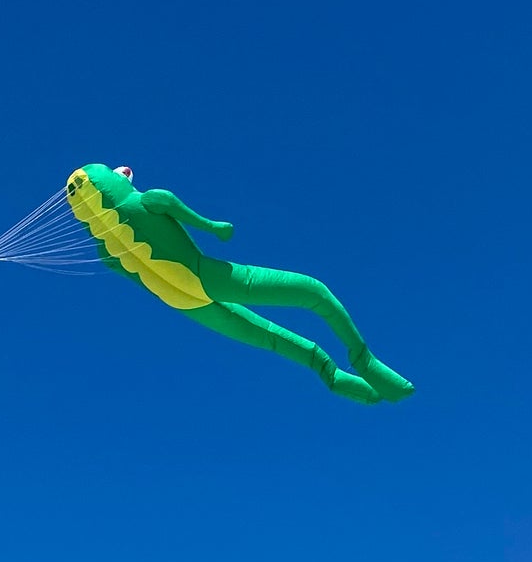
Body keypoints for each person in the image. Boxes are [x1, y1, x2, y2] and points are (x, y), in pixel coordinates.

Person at [65, 163, 414, 405]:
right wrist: (214, 227)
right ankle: (363, 361)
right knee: (313, 291)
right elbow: (176, 207)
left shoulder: (103, 248)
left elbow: (121, 267)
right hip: (207, 277)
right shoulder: (145, 200)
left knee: (271, 338)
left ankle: (334, 376)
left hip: (186, 304)